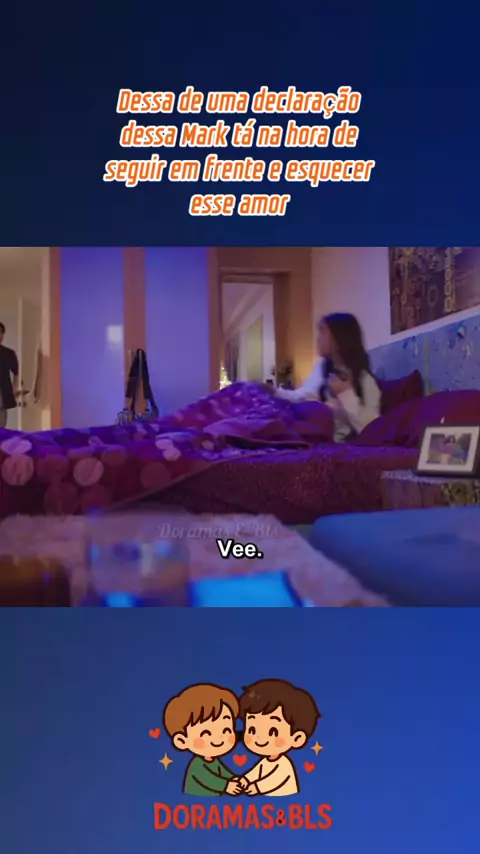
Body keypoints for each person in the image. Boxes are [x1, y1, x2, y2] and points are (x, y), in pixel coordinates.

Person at [274, 313, 381, 441]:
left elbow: (372, 427)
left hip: (327, 438)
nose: (317, 339)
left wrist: (346, 393)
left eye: (322, 332)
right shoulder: (322, 368)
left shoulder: (364, 380)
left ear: (339, 338)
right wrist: (274, 392)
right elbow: (302, 395)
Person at [236, 679, 321, 797]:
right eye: (252, 730)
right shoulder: (265, 761)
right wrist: (244, 780)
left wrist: (257, 787)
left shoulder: (283, 764)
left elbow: (276, 780)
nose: (260, 738)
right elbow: (255, 773)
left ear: (297, 739)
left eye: (273, 732)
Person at [163, 683, 243, 796]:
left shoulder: (214, 761)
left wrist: (235, 779)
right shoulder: (198, 764)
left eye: (226, 730)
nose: (219, 738)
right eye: (206, 733)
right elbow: (207, 779)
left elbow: (224, 773)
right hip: (194, 800)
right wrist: (226, 785)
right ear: (181, 741)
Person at [0, 322, 20, 428]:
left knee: (1, 430)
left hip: (2, 399)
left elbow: (16, 372)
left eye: (0, 332)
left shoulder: (8, 353)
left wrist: (15, 387)